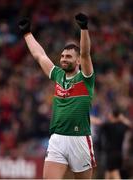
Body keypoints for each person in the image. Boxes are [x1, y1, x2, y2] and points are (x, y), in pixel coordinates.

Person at [18, 13, 96, 179]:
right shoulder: (58, 75)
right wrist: (27, 34)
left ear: (78, 62)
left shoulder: (86, 79)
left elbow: (85, 54)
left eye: (68, 57)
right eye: (62, 56)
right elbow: (40, 56)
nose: (63, 59)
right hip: (57, 139)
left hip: (80, 139)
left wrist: (83, 29)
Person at [99, 107, 133, 179]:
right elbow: (130, 125)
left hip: (111, 154)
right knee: (108, 173)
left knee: (115, 173)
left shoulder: (108, 125)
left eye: (110, 113)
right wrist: (122, 118)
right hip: (119, 154)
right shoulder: (122, 126)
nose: (108, 115)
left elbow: (99, 122)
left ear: (112, 115)